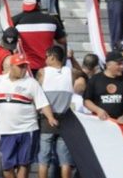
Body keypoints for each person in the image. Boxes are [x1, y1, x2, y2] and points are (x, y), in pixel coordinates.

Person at [0, 53, 57, 178]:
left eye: (25, 66)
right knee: (7, 166)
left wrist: (50, 117)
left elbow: (43, 103)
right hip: (5, 131)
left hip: (27, 129)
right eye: (20, 66)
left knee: (24, 164)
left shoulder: (31, 83)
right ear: (12, 66)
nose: (23, 69)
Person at [36, 46, 75, 178]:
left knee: (43, 160)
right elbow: (84, 74)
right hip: (64, 119)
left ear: (52, 57)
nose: (45, 59)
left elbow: (37, 95)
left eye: (47, 56)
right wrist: (72, 59)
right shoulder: (70, 72)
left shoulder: (42, 72)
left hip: (47, 119)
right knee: (65, 161)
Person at [12, 0, 67, 72]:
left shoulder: (14, 21)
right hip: (48, 68)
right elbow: (62, 40)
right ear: (39, 4)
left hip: (26, 68)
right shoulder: (52, 20)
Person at [84, 51, 123, 122]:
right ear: (108, 65)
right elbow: (87, 100)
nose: (122, 67)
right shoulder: (95, 79)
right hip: (100, 123)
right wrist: (98, 110)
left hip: (122, 124)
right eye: (119, 64)